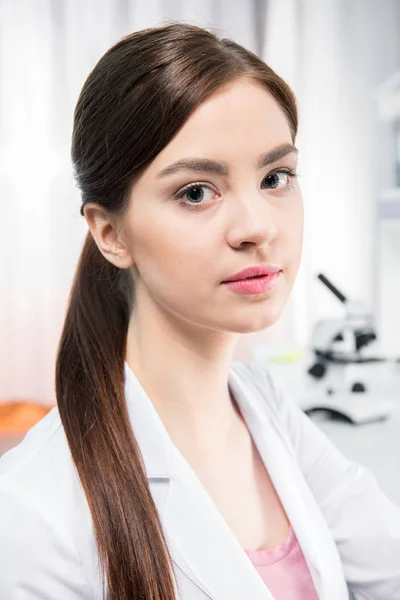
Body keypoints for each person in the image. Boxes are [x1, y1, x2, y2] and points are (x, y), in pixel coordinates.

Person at [0, 22, 399, 600]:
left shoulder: (264, 406)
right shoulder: (33, 511)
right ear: (110, 233)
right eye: (195, 193)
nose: (259, 226)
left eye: (275, 177)